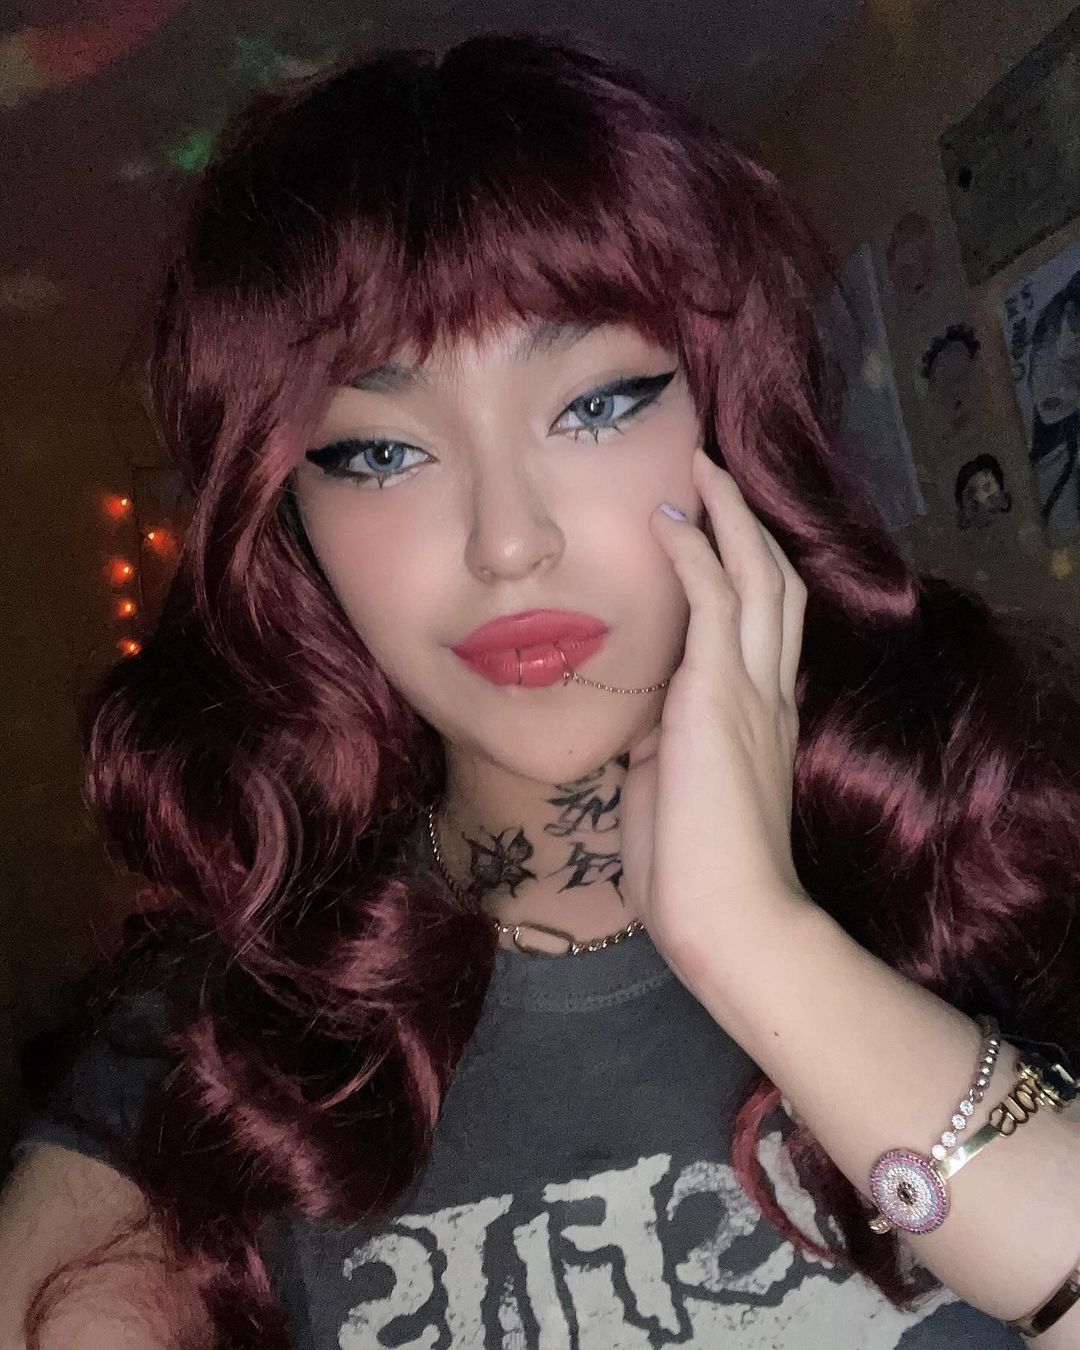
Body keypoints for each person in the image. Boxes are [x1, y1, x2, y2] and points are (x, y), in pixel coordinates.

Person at [2, 33, 1080, 1350]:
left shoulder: (996, 852)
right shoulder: (220, 1044)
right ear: (292, 524)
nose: (507, 541)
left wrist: (763, 943)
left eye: (598, 403)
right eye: (380, 452)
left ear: (727, 413)